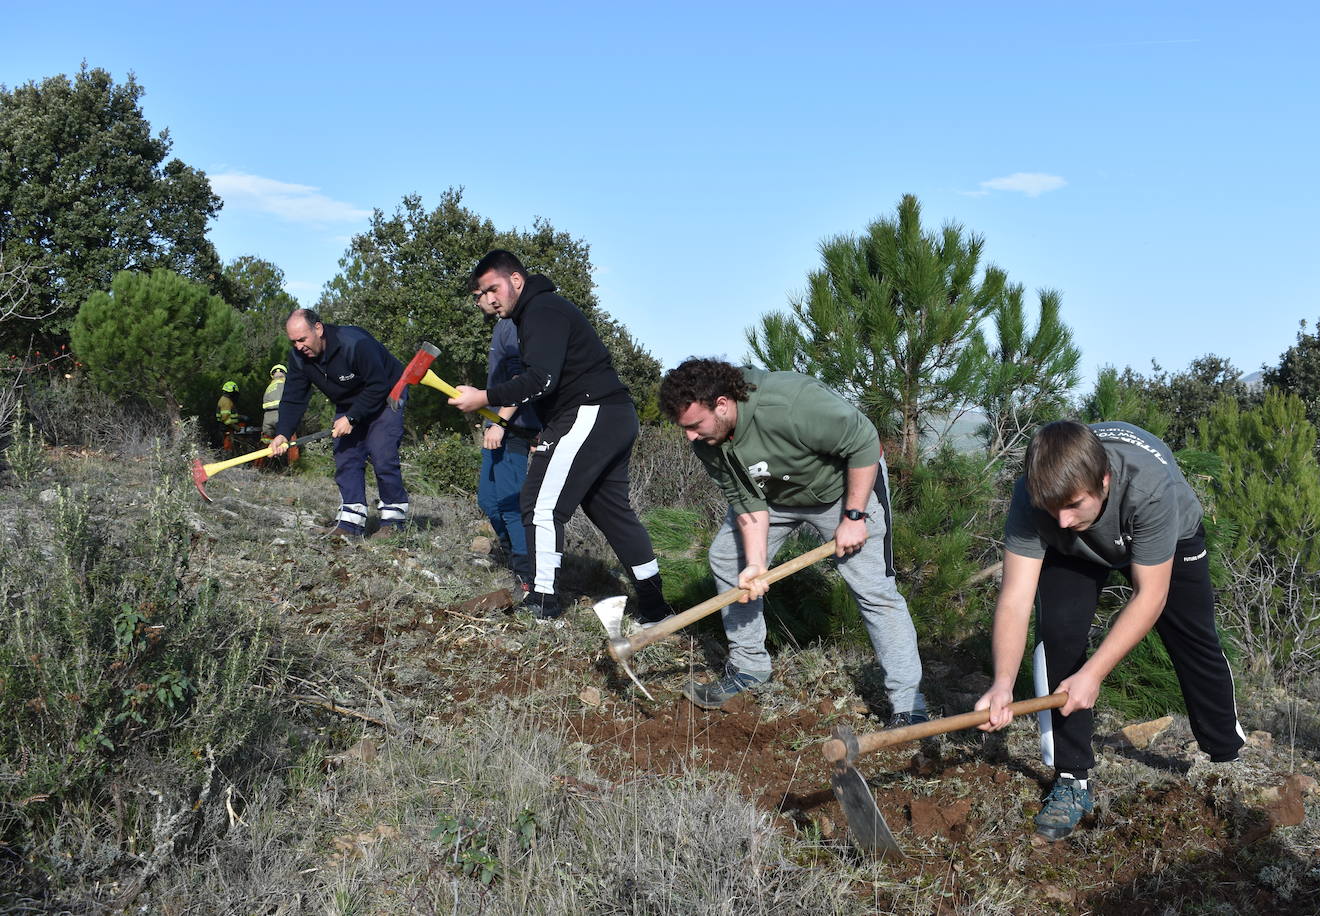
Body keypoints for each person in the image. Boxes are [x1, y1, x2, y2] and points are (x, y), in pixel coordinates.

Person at [974, 420, 1245, 842]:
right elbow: (1014, 598)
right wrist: (1003, 683)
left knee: (1193, 639)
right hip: (1077, 555)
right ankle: (1072, 778)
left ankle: (1226, 756)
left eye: (1073, 504)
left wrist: (1094, 674)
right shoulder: (1034, 498)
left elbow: (1149, 596)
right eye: (1051, 507)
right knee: (1059, 634)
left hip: (1168, 533)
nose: (1062, 519)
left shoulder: (1151, 488)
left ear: (1104, 480)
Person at [657, 358, 928, 723]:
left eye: (694, 425)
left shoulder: (790, 403)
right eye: (684, 428)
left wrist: (854, 517)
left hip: (842, 491)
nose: (689, 436)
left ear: (722, 404)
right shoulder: (708, 439)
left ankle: (909, 705)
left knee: (874, 590)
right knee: (728, 557)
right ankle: (749, 666)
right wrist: (755, 564)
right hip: (774, 498)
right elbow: (747, 501)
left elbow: (864, 443)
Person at [450, 250, 672, 624]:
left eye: (493, 289)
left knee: (538, 505)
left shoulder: (542, 310)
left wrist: (483, 397)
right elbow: (553, 379)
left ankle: (542, 603)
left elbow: (541, 380)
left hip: (590, 411)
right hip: (609, 415)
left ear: (515, 281)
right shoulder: (537, 313)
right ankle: (654, 606)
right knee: (612, 513)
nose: (488, 300)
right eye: (481, 294)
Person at [268, 309, 409, 541]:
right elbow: (294, 397)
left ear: (318, 329)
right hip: (349, 401)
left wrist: (352, 417)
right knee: (346, 456)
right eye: (293, 341)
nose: (299, 346)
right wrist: (283, 433)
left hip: (387, 392)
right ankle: (350, 523)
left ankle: (393, 523)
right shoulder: (298, 358)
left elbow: (377, 385)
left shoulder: (355, 344)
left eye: (302, 339)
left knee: (382, 452)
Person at [476, 296, 540, 592]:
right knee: (488, 500)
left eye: (481, 295)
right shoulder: (502, 325)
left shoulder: (514, 325)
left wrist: (501, 423)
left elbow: (522, 378)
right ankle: (512, 554)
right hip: (497, 424)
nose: (479, 301)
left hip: (512, 427)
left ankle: (528, 575)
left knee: (511, 504)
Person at [260, 363, 288, 447]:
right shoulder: (286, 384)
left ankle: (263, 459)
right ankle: (293, 460)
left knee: (266, 442)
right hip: (282, 415)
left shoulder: (269, 387)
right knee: (289, 441)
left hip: (267, 418)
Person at [217, 381, 243, 450]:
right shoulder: (226, 401)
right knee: (228, 450)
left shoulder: (225, 400)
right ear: (232, 392)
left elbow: (228, 414)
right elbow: (225, 418)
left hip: (226, 430)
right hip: (226, 430)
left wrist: (241, 417)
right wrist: (236, 427)